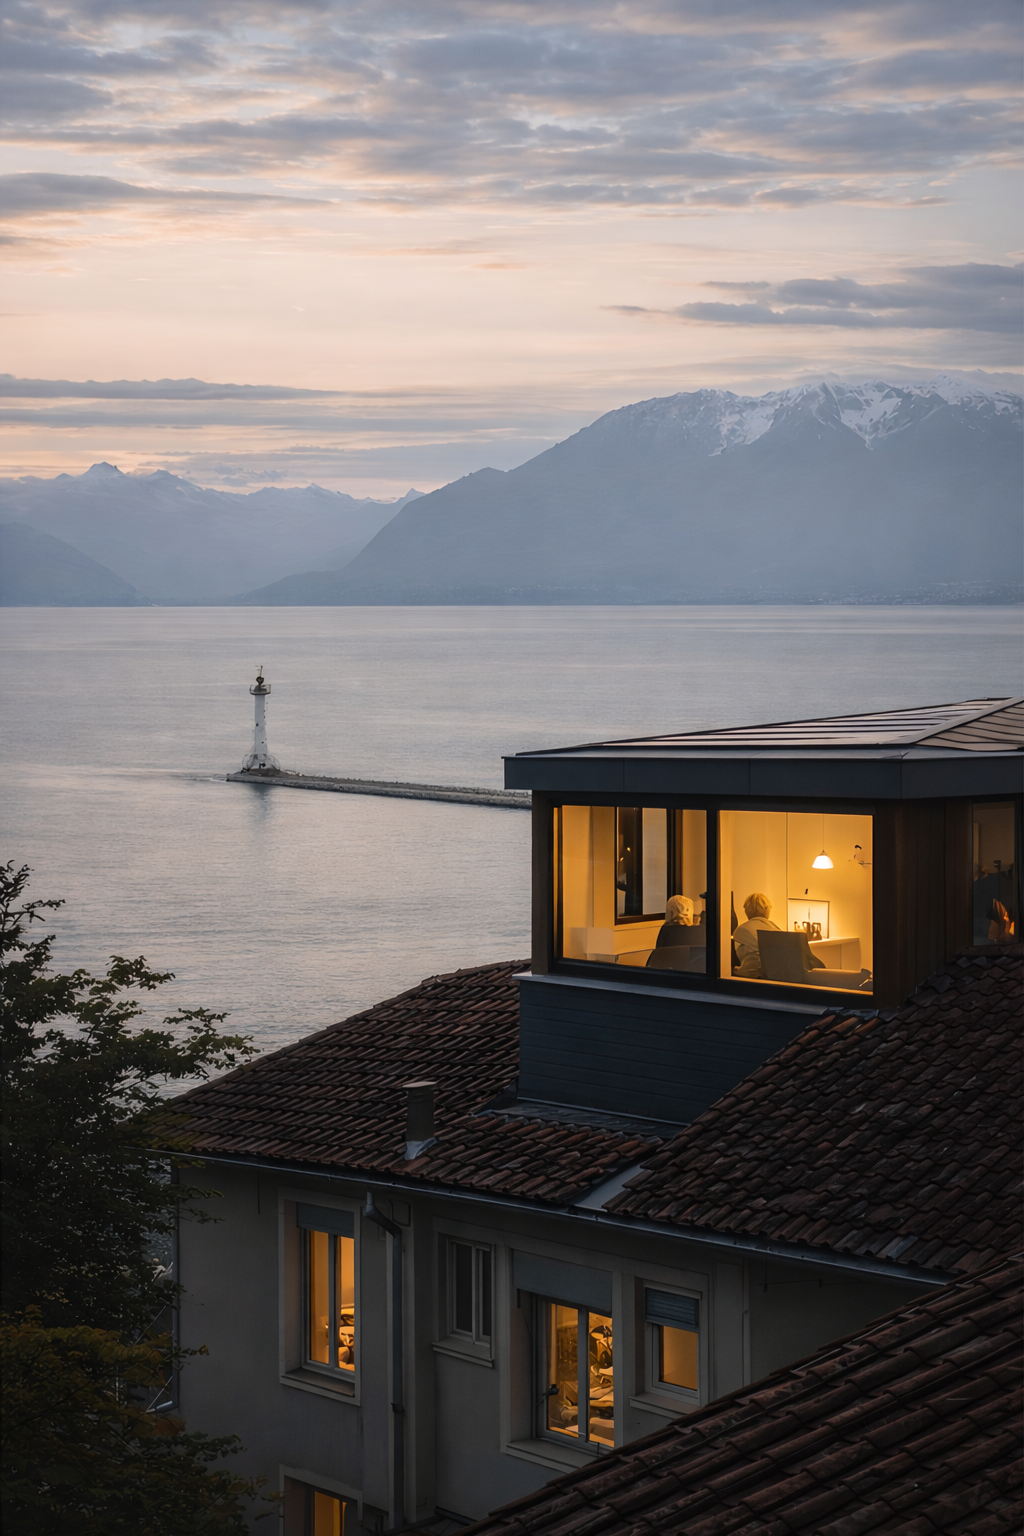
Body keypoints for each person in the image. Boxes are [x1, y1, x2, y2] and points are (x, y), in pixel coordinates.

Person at [732, 893, 780, 977]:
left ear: (746, 910)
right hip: (773, 977)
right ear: (767, 909)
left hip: (749, 977)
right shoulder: (775, 928)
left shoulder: (741, 930)